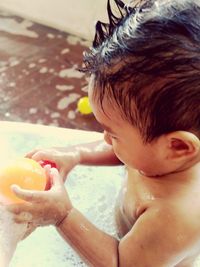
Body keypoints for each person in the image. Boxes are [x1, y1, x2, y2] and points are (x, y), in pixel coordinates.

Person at [8, 0, 200, 266]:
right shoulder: (160, 156)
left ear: (178, 146)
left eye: (114, 134)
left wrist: (63, 216)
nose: (106, 139)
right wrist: (74, 154)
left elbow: (119, 263)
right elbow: (125, 153)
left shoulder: (177, 216)